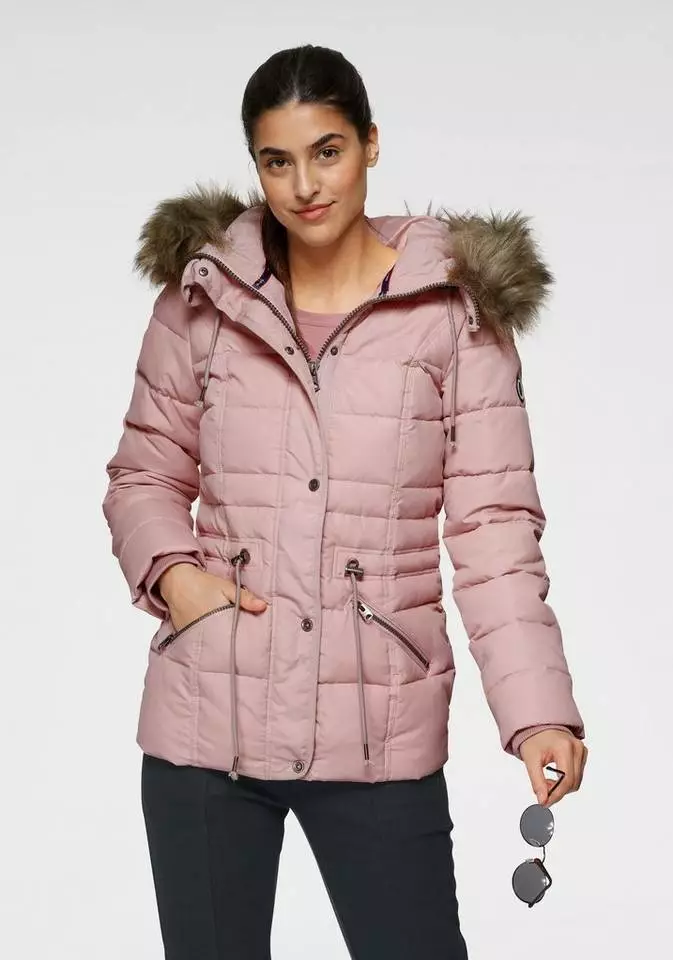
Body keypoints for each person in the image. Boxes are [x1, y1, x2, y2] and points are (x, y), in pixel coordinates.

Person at [102, 43, 588, 960]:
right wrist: (175, 578)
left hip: (379, 729)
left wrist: (537, 712)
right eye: (276, 161)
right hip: (207, 724)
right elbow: (143, 474)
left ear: (370, 143)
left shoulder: (454, 315)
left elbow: (493, 532)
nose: (303, 186)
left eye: (326, 151)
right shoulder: (201, 299)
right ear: (256, 167)